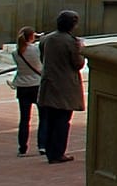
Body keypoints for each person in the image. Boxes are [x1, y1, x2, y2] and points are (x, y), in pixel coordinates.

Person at [36, 10, 85, 165]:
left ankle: (51, 151)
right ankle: (58, 153)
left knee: (49, 119)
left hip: (48, 83)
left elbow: (43, 58)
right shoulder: (72, 42)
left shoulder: (46, 39)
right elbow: (78, 63)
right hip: (65, 85)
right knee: (62, 120)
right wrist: (81, 49)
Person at [11, 26, 44, 157]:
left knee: (24, 119)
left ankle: (22, 147)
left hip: (22, 86)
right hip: (36, 84)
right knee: (43, 116)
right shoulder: (36, 50)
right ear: (32, 36)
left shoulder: (16, 52)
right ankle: (42, 145)